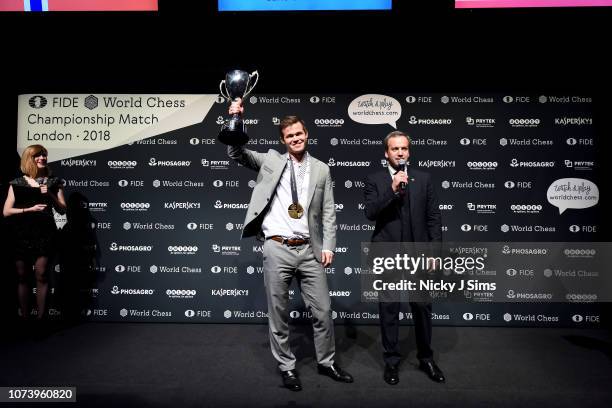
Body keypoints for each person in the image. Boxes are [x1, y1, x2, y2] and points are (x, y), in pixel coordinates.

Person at [226, 98, 353, 391]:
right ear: (283, 140)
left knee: (322, 311)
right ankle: (287, 367)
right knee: (278, 313)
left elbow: (330, 211)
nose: (295, 138)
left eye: (299, 133)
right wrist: (235, 118)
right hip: (277, 247)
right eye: (289, 136)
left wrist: (329, 246)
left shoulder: (321, 169)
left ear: (306, 134)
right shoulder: (271, 161)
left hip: (310, 250)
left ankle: (327, 362)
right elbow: (235, 153)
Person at [363, 131, 445, 384]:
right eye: (395, 149)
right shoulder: (375, 180)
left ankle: (426, 358)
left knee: (422, 307)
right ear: (386, 153)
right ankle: (391, 362)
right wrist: (392, 189)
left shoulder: (424, 179)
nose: (400, 153)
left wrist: (434, 253)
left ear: (409, 151)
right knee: (389, 309)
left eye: (404, 148)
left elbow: (433, 218)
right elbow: (370, 212)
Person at [3, 144, 66, 322]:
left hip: (45, 233)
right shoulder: (17, 183)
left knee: (42, 274)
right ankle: (23, 317)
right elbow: (6, 211)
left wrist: (51, 196)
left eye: (44, 155)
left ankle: (41, 320)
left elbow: (62, 210)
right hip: (21, 234)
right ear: (29, 159)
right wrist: (28, 210)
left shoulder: (54, 181)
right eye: (38, 156)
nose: (42, 158)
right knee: (22, 276)